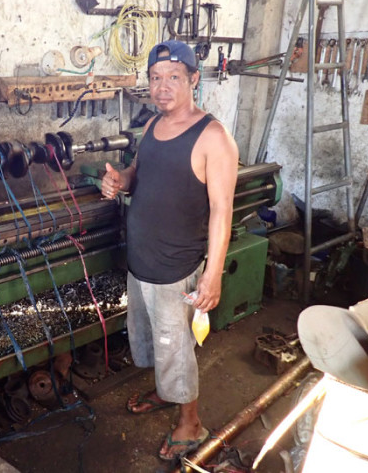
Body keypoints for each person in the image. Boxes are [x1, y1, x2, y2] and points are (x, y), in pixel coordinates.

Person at [100, 40, 239, 462]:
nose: (162, 87)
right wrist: (119, 181)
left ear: (194, 79)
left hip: (176, 269)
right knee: (154, 343)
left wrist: (212, 274)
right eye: (156, 78)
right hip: (140, 261)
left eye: (174, 78)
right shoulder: (152, 127)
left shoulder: (214, 137)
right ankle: (167, 392)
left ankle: (190, 421)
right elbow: (138, 174)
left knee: (176, 348)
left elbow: (221, 213)